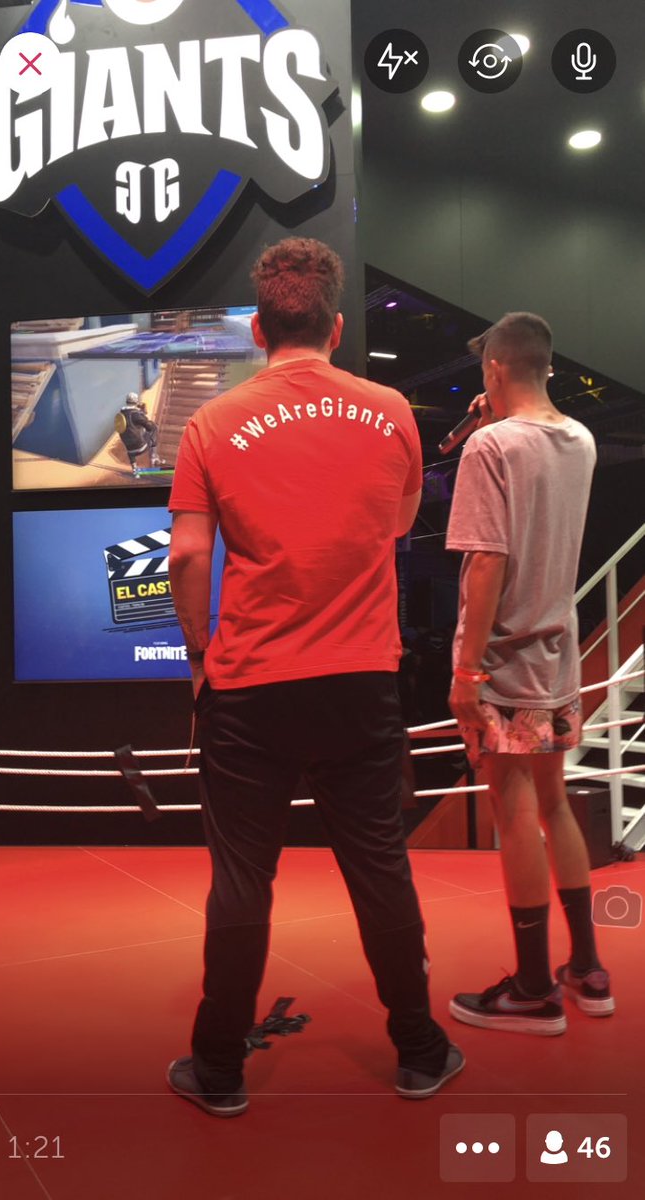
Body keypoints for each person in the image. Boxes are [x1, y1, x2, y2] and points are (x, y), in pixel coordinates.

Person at [166, 237, 463, 1116]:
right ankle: (419, 1050)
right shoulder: (392, 410)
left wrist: (198, 656)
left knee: (241, 880)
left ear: (257, 329)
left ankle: (218, 1068)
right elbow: (396, 523)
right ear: (335, 328)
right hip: (359, 680)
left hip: (249, 685)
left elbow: (185, 556)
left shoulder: (210, 423)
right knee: (379, 869)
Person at [445, 311, 613, 1036]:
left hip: (504, 663)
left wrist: (466, 670)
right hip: (559, 658)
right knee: (555, 803)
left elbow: (487, 561)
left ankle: (534, 988)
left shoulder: (489, 446)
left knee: (513, 809)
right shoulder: (581, 438)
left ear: (494, 369)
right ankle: (587, 969)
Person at [114, 391, 161, 476]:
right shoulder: (136, 414)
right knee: (154, 427)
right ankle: (154, 458)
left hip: (130, 451)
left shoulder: (121, 414)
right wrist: (143, 412)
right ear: (136, 402)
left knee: (130, 435)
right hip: (140, 447)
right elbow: (149, 427)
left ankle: (134, 468)